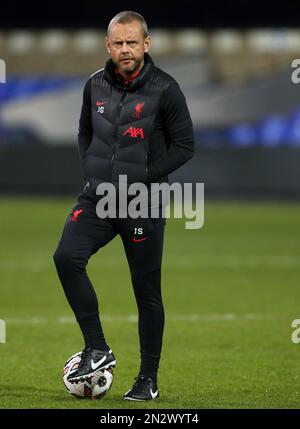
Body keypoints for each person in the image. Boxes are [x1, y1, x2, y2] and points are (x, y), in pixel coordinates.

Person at [54, 10, 194, 401]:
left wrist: (145, 176)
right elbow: (84, 130)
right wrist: (91, 170)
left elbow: (185, 145)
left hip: (141, 202)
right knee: (66, 256)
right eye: (118, 43)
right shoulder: (94, 85)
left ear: (146, 44)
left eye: (132, 42)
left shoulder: (166, 89)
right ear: (108, 45)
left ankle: (147, 380)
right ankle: (96, 345)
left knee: (146, 291)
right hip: (98, 198)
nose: (125, 49)